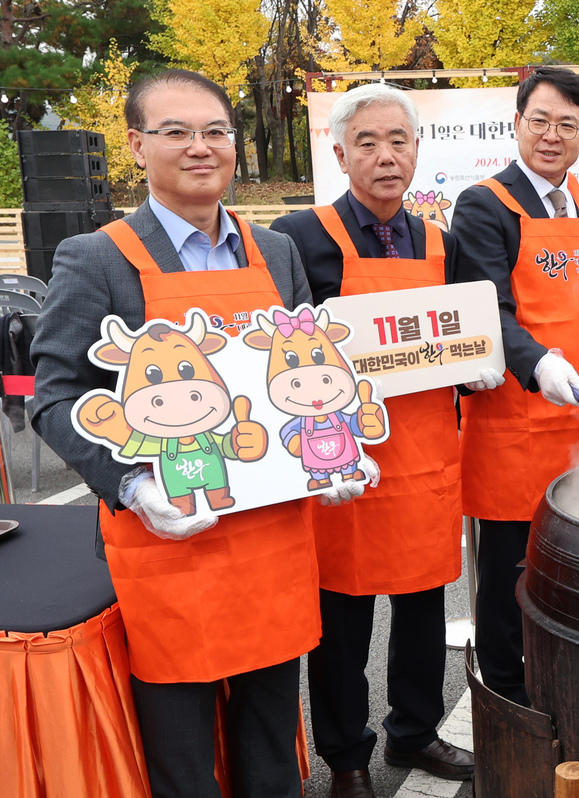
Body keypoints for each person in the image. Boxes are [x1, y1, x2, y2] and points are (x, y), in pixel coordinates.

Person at [33, 69, 318, 798]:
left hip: (271, 535)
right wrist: (128, 483)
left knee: (269, 733)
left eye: (216, 131)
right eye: (177, 132)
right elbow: (55, 396)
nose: (202, 147)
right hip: (171, 541)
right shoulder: (97, 257)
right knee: (183, 752)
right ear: (136, 145)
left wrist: (332, 452)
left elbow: (307, 373)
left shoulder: (275, 253)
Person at [269, 84, 489, 798]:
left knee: (424, 606)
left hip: (425, 453)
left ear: (418, 151)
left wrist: (480, 367)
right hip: (343, 462)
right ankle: (347, 757)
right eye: (367, 142)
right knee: (342, 619)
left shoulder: (438, 239)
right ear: (339, 152)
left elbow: (457, 338)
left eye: (399, 141)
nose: (386, 156)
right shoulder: (300, 238)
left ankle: (416, 731)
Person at [449, 65, 579, 707]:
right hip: (513, 422)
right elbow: (487, 306)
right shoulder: (486, 204)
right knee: (509, 570)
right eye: (539, 120)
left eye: (566, 125)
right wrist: (537, 361)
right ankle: (507, 693)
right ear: (516, 124)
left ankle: (563, 676)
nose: (551, 135)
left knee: (575, 559)